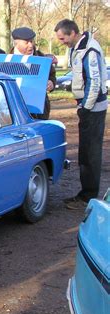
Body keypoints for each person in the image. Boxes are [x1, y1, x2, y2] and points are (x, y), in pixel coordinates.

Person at [54, 19, 108, 210]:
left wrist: (86, 107)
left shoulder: (89, 50)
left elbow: (94, 81)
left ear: (73, 33)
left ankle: (89, 197)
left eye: (62, 38)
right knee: (85, 152)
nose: (61, 42)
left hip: (93, 109)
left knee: (90, 153)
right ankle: (86, 194)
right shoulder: (80, 48)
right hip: (88, 108)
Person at [10, 27, 56, 119]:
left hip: (40, 109)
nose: (31, 45)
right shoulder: (7, 60)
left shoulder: (42, 59)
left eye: (32, 41)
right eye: (26, 42)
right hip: (16, 108)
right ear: (16, 43)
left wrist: (51, 83)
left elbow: (52, 75)